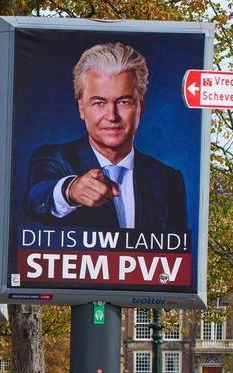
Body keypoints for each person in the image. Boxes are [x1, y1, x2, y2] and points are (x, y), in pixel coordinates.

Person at [23, 42, 187, 234]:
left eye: (123, 101)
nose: (112, 115)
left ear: (141, 106)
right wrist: (70, 190)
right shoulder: (53, 159)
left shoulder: (168, 179)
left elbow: (176, 257)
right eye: (99, 103)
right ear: (81, 108)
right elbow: (35, 198)